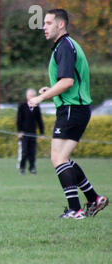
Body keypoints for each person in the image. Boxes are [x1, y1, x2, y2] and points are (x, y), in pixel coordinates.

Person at [28, 9, 108, 219]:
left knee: (59, 158)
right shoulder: (67, 46)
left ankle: (76, 209)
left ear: (60, 25)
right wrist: (50, 90)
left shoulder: (64, 46)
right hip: (75, 108)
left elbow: (68, 82)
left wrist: (39, 99)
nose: (43, 27)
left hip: (72, 109)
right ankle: (93, 198)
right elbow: (67, 83)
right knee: (63, 159)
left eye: (48, 23)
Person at [16, 88, 45, 175]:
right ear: (27, 96)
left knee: (32, 152)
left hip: (33, 133)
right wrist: (19, 131)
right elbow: (19, 120)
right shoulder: (22, 106)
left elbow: (39, 120)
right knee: (24, 152)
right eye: (30, 95)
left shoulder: (37, 107)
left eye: (33, 95)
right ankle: (22, 167)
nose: (32, 97)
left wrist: (42, 133)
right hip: (24, 134)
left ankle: (32, 168)